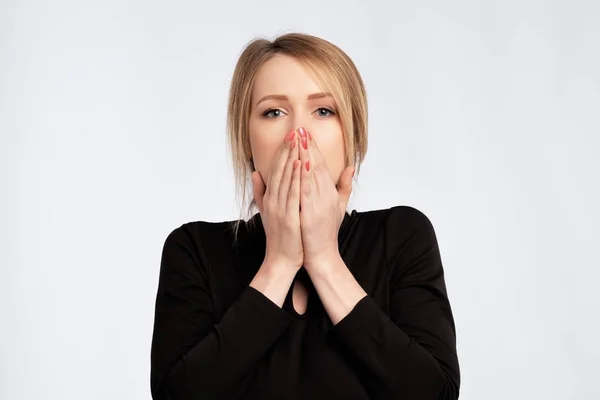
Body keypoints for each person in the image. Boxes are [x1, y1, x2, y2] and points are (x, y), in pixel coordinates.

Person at [150, 33, 460, 400]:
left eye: (323, 111)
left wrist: (325, 260)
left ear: (353, 138)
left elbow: (433, 393)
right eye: (273, 112)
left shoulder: (401, 236)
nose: (299, 134)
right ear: (246, 140)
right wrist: (279, 262)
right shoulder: (194, 250)